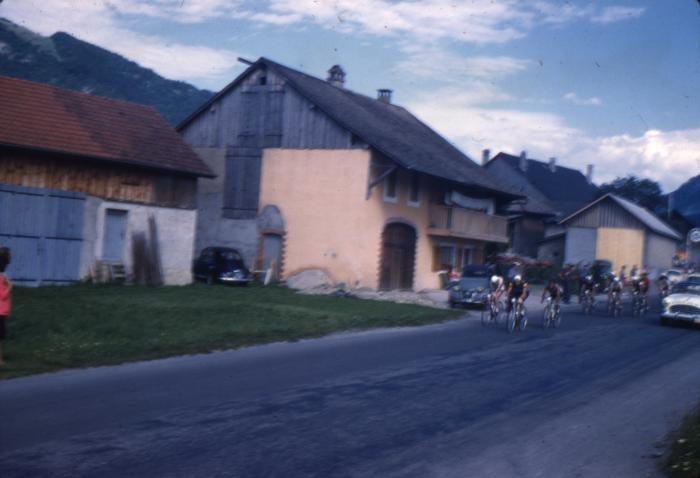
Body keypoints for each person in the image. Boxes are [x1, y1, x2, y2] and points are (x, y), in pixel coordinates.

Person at [0, 247, 11, 367]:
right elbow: (2, 295)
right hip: (0, 311)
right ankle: (0, 359)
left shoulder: (2, 276)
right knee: (0, 336)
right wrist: (10, 286)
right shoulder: (1, 277)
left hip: (2, 311)